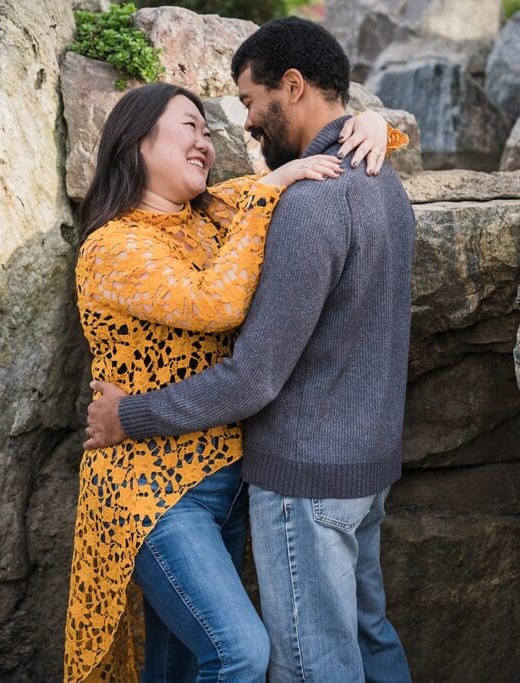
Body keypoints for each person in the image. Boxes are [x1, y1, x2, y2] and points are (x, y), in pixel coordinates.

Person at [83, 17, 416, 683]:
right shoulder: (384, 184)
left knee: (313, 665)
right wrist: (373, 128)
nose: (240, 127)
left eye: (246, 104)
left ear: (291, 87)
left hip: (303, 477)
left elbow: (253, 372)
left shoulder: (297, 203)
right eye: (201, 125)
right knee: (362, 638)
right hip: (348, 468)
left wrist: (132, 415)